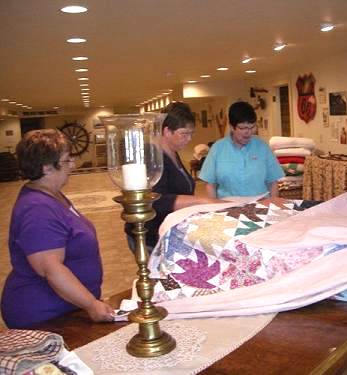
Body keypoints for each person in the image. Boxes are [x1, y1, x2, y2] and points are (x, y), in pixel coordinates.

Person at [1, 129, 114, 328]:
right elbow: (50, 269)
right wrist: (90, 304)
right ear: (46, 167)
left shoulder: (51, 195)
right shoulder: (37, 208)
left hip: (65, 307)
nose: (73, 164)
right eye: (67, 160)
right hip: (43, 313)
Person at [126, 101, 222, 252]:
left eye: (191, 134)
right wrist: (203, 200)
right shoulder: (151, 157)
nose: (189, 139)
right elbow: (158, 200)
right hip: (151, 234)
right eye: (184, 134)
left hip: (170, 229)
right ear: (167, 131)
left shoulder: (172, 152)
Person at [199, 101, 284, 198]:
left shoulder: (263, 147)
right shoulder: (218, 149)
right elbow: (211, 184)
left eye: (252, 127)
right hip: (227, 207)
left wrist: (273, 205)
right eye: (243, 128)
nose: (248, 132)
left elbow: (273, 182)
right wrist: (214, 208)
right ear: (232, 127)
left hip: (260, 206)